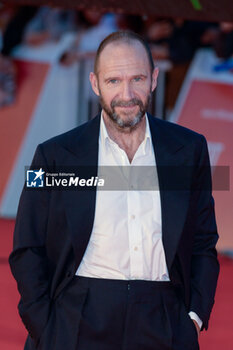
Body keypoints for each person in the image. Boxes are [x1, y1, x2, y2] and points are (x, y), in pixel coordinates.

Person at [9, 31, 219, 350]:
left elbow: (203, 241)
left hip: (163, 318)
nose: (126, 93)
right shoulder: (52, 157)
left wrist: (194, 317)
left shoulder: (189, 150)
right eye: (113, 81)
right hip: (75, 316)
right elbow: (27, 245)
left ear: (154, 79)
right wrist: (45, 324)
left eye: (137, 78)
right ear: (95, 84)